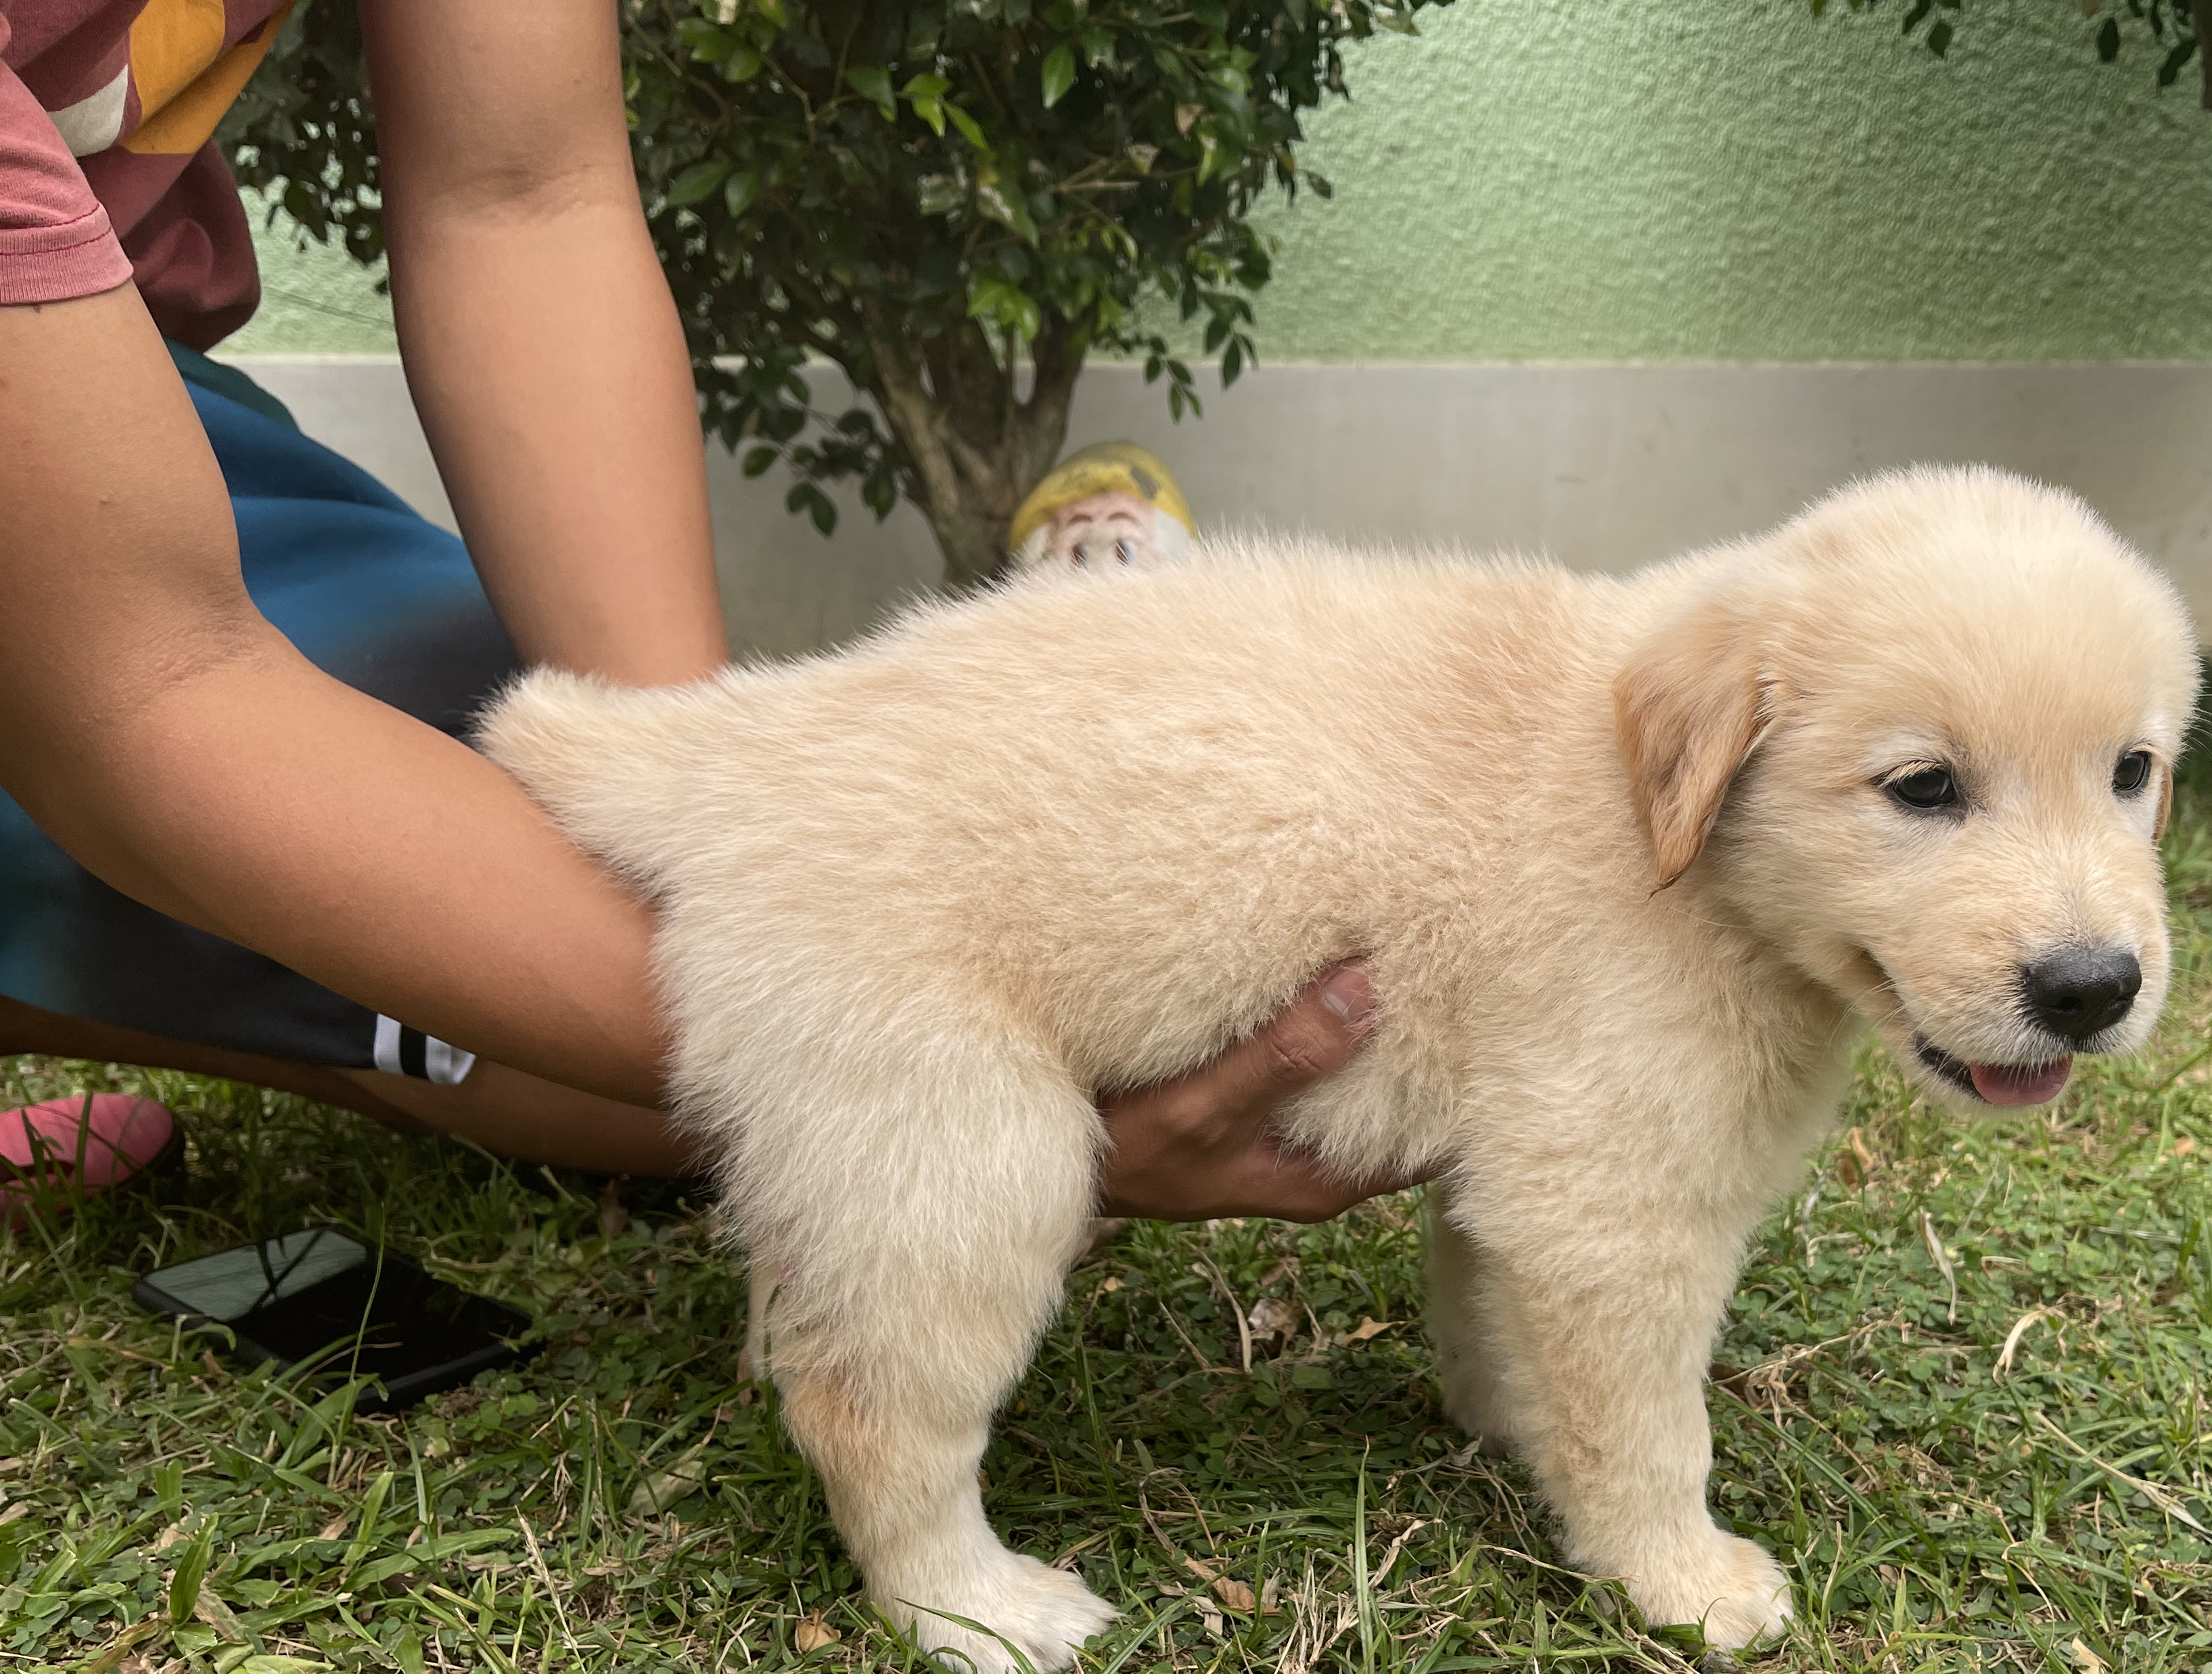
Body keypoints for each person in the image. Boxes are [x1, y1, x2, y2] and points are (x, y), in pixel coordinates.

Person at [0, 0, 1406, 1227]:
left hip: (102, 380)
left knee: (561, 918)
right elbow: (147, 684)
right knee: (698, 1027)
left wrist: (703, 824)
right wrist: (964, 1077)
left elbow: (519, 193)